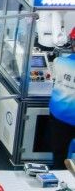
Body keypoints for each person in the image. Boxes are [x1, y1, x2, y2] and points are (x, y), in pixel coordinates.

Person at [49, 29, 75, 168]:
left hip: (60, 116)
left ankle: (59, 174)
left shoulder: (59, 62)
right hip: (64, 116)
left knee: (59, 154)